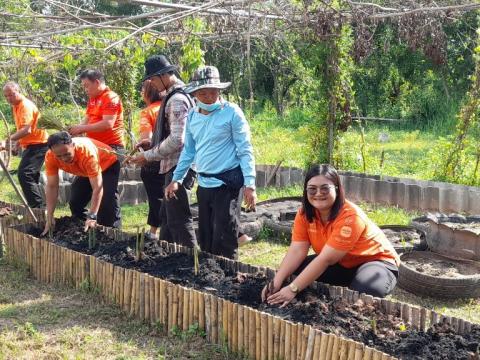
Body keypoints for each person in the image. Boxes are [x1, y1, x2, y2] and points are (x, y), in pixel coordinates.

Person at [261, 164, 399, 306]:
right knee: (294, 271)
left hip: (375, 262)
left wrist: (293, 289)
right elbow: (297, 250)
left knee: (365, 290)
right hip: (341, 263)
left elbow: (325, 259)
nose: (319, 193)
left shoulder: (350, 216)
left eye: (325, 188)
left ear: (337, 189)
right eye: (312, 189)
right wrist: (275, 282)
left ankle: (359, 287)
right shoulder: (304, 214)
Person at [165, 66, 256, 259]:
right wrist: (176, 178)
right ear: (195, 93)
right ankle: (209, 274)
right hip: (204, 183)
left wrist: (250, 183)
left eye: (213, 91)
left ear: (220, 91)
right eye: (203, 92)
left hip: (227, 182)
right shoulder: (192, 116)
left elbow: (245, 148)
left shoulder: (232, 112)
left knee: (224, 234)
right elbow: (189, 150)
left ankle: (228, 277)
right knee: (206, 235)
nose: (208, 96)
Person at [127, 54, 196, 247]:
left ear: (164, 75)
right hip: (172, 164)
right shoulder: (174, 96)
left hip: (179, 165)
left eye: (153, 79)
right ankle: (165, 257)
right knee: (167, 218)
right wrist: (151, 143)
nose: (152, 84)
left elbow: (177, 139)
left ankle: (192, 262)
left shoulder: (177, 100)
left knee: (178, 219)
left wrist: (148, 156)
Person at [41, 131, 121, 235]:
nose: (64, 159)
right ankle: (84, 229)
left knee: (106, 202)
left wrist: (92, 215)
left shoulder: (87, 153)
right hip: (85, 171)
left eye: (67, 154)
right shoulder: (50, 156)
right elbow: (52, 186)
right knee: (75, 202)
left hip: (107, 164)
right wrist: (49, 216)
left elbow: (98, 188)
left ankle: (111, 233)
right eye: (59, 156)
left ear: (73, 146)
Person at [2, 82, 48, 208]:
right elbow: (22, 128)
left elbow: (26, 130)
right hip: (31, 145)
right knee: (31, 176)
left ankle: (38, 208)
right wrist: (17, 144)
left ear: (18, 91)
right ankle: (39, 207)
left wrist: (6, 141)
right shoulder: (16, 106)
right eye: (6, 96)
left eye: (11, 95)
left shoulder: (25, 106)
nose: (9, 98)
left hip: (39, 144)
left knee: (25, 174)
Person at [69, 69, 125, 159]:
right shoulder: (92, 99)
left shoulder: (110, 97)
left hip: (111, 148)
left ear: (97, 82)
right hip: (95, 147)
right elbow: (85, 121)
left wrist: (81, 128)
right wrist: (74, 130)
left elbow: (107, 124)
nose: (85, 90)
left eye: (86, 86)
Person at [137, 80, 163, 241]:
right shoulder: (168, 105)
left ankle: (159, 232)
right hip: (175, 160)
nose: (141, 93)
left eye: (142, 90)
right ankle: (153, 231)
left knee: (156, 198)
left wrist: (141, 152)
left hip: (154, 161)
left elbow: (147, 140)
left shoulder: (148, 112)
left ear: (148, 93)